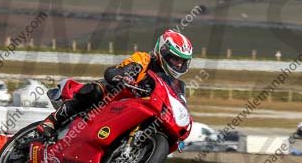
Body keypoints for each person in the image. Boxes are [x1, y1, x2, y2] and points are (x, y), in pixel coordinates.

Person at [37, 30, 193, 138]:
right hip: (115, 98)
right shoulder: (143, 60)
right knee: (95, 91)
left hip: (136, 112)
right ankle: (52, 121)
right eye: (175, 59)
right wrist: (124, 77)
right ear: (162, 51)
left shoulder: (175, 84)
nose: (178, 65)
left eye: (182, 62)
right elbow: (115, 72)